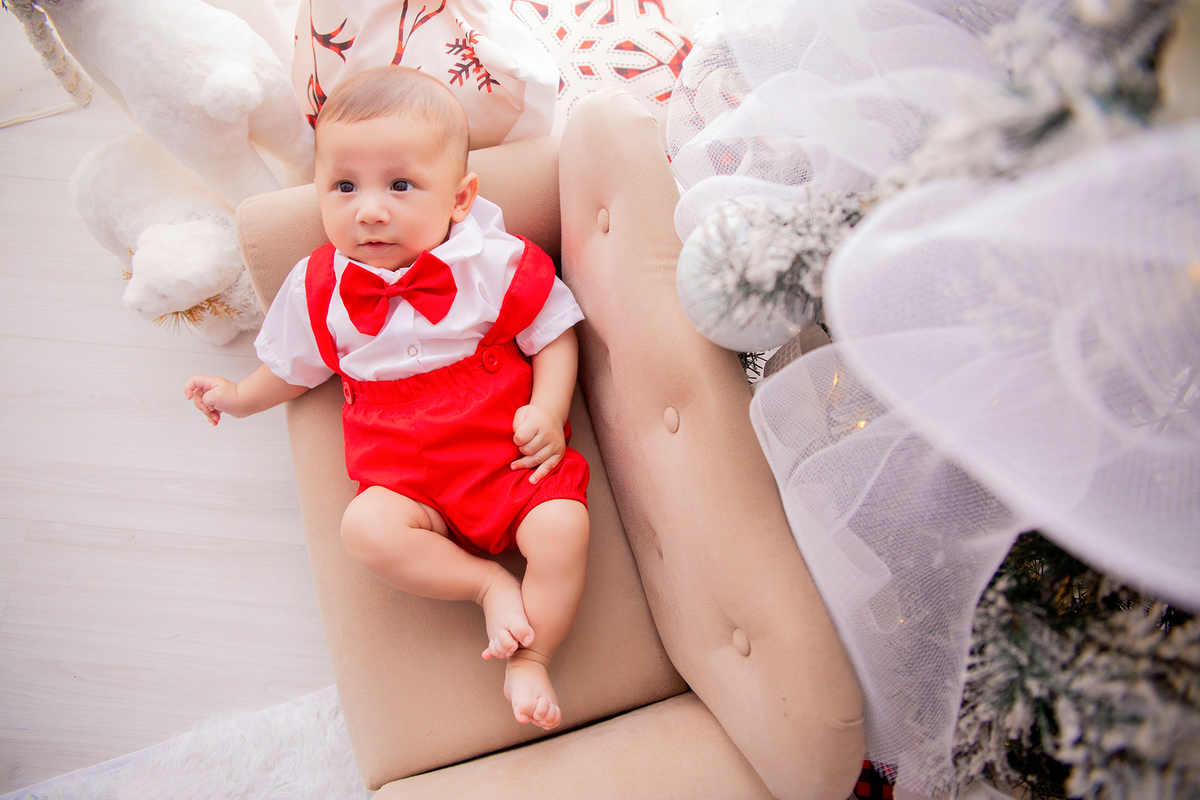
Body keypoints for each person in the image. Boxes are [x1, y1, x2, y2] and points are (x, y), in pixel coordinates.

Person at [184, 65, 590, 732]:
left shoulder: (490, 260)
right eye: (344, 186)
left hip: (507, 461)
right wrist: (238, 395)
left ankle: (533, 655)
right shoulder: (319, 285)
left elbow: (554, 329)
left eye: (400, 186)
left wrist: (548, 408)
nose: (368, 209)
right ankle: (485, 584)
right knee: (364, 530)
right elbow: (293, 368)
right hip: (405, 478)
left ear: (460, 199)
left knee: (562, 529)